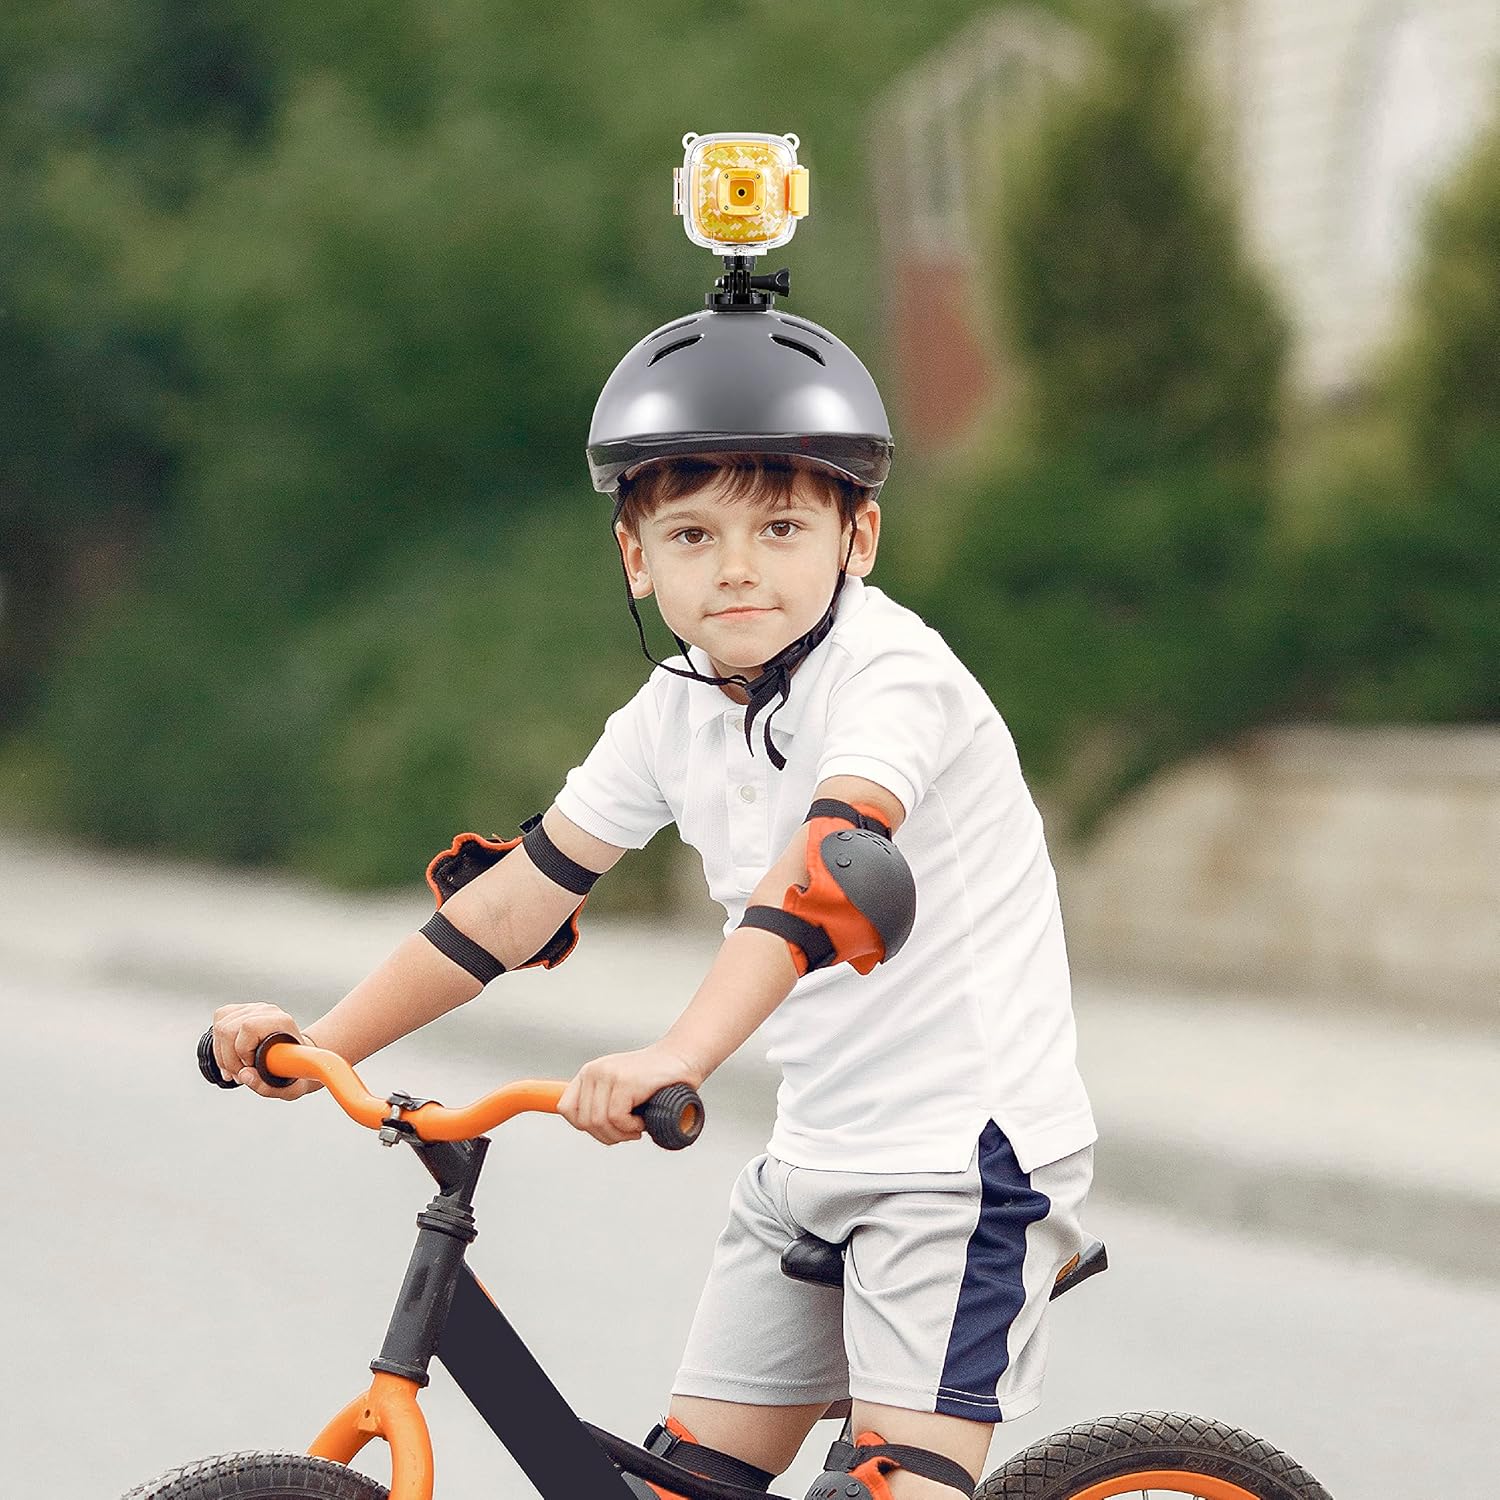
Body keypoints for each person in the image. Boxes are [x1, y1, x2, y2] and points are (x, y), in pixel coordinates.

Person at [210, 296, 1095, 1500]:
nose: (737, 568)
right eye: (691, 536)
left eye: (782, 526)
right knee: (681, 1488)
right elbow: (518, 901)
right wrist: (320, 1045)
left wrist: (677, 1053)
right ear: (637, 557)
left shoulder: (894, 679)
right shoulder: (678, 704)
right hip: (814, 1157)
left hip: (964, 1161)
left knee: (898, 1487)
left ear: (859, 538)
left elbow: (822, 873)